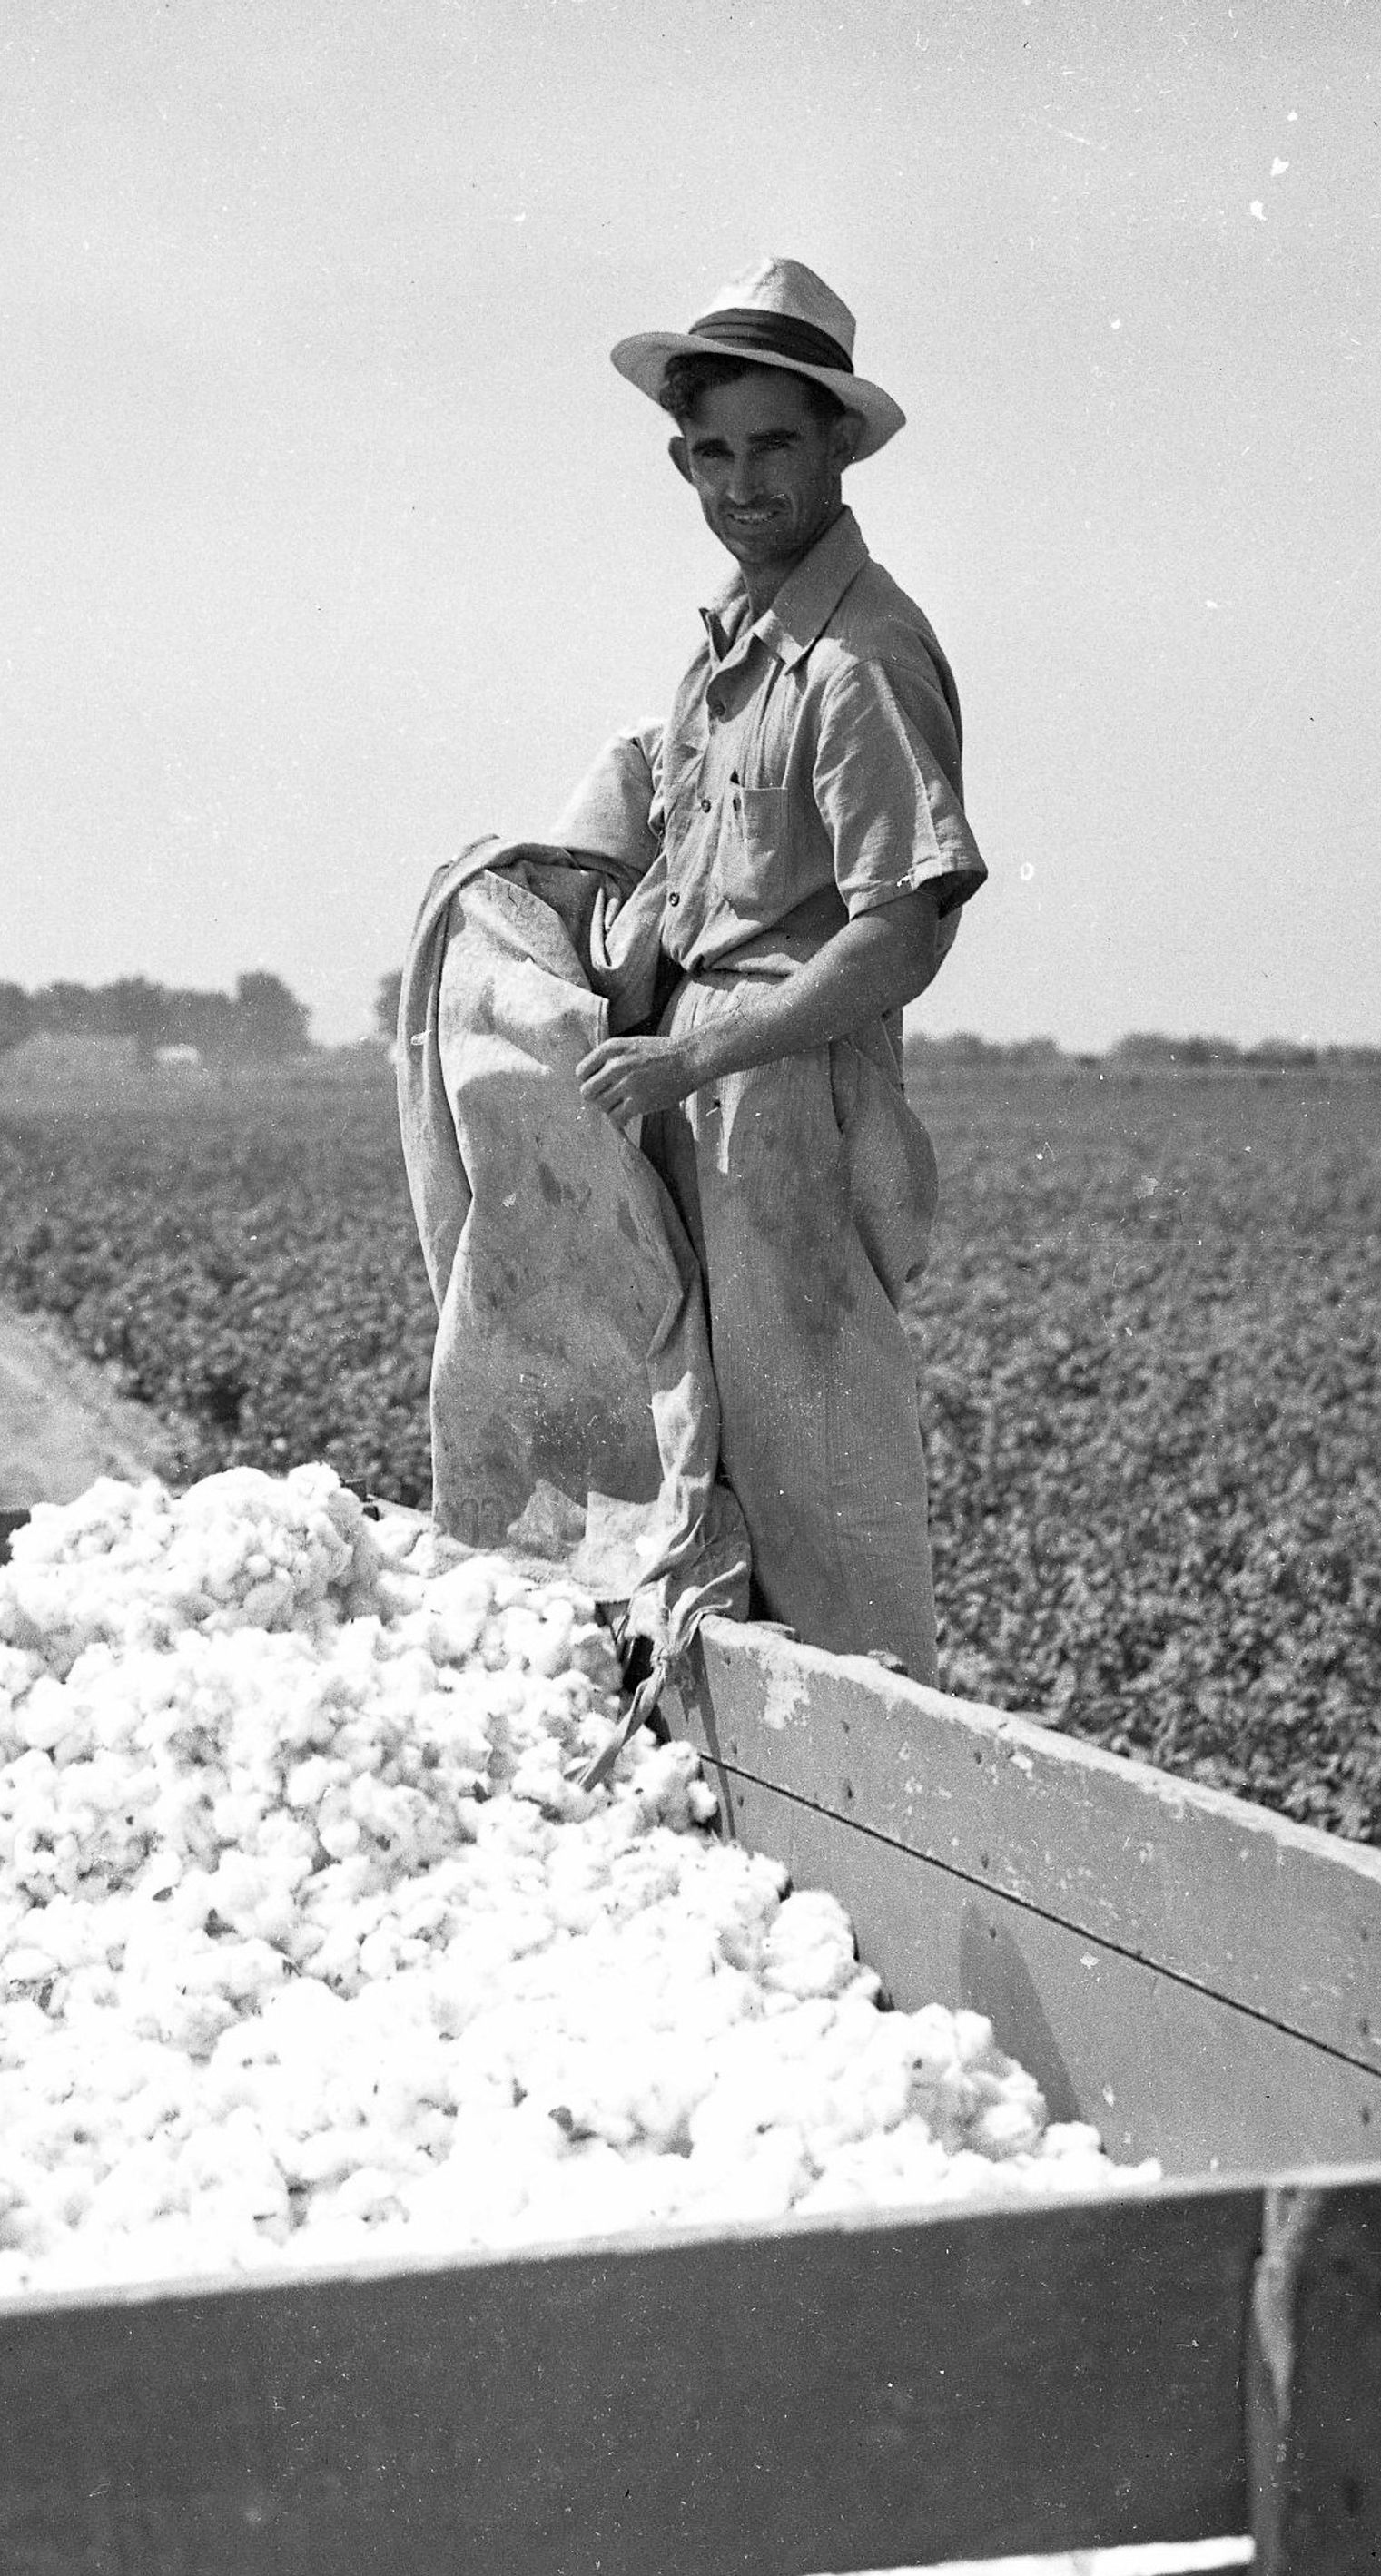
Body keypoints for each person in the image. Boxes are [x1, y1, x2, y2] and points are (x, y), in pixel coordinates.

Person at [559, 258, 986, 1674]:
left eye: (774, 447)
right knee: (706, 1458)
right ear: (684, 460)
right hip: (704, 1093)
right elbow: (687, 854)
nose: (741, 483)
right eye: (713, 452)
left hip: (790, 1099)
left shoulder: (859, 657)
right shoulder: (732, 654)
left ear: (838, 449)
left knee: (824, 1487)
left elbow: (902, 928)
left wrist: (700, 1053)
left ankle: (871, 1805)